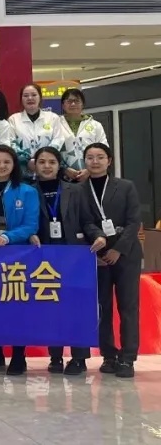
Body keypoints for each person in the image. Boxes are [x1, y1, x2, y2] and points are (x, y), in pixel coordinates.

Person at [0, 145, 40, 375]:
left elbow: (31, 225)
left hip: (14, 255)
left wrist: (8, 237)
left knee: (15, 307)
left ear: (14, 165)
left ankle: (19, 356)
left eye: (6, 162)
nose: (1, 166)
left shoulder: (27, 191)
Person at [28, 146, 92, 375]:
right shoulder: (28, 191)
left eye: (52, 162)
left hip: (74, 255)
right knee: (51, 306)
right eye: (42, 162)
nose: (47, 166)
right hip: (44, 255)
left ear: (59, 166)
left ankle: (79, 358)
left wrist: (97, 239)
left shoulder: (76, 190)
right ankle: (55, 356)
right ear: (34, 166)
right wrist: (30, 234)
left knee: (76, 307)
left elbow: (87, 220)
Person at [82, 142, 142, 378]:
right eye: (90, 157)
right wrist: (99, 244)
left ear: (109, 161)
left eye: (100, 157)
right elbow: (84, 221)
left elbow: (134, 221)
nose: (95, 162)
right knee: (102, 307)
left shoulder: (126, 186)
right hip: (98, 256)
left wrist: (117, 249)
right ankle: (108, 355)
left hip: (126, 255)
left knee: (128, 307)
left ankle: (128, 358)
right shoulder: (79, 189)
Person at [9, 83, 65, 182]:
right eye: (26, 96)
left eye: (34, 95)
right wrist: (28, 160)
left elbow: (58, 139)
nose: (30, 98)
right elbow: (11, 142)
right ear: (21, 99)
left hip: (48, 169)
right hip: (23, 170)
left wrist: (42, 158)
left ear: (40, 97)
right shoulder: (13, 119)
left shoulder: (53, 117)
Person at [58, 88, 108, 182]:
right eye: (69, 101)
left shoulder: (95, 125)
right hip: (64, 177)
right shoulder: (55, 125)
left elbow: (104, 149)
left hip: (92, 175)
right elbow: (51, 150)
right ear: (63, 105)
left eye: (76, 101)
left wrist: (89, 170)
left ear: (82, 104)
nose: (73, 104)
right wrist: (64, 169)